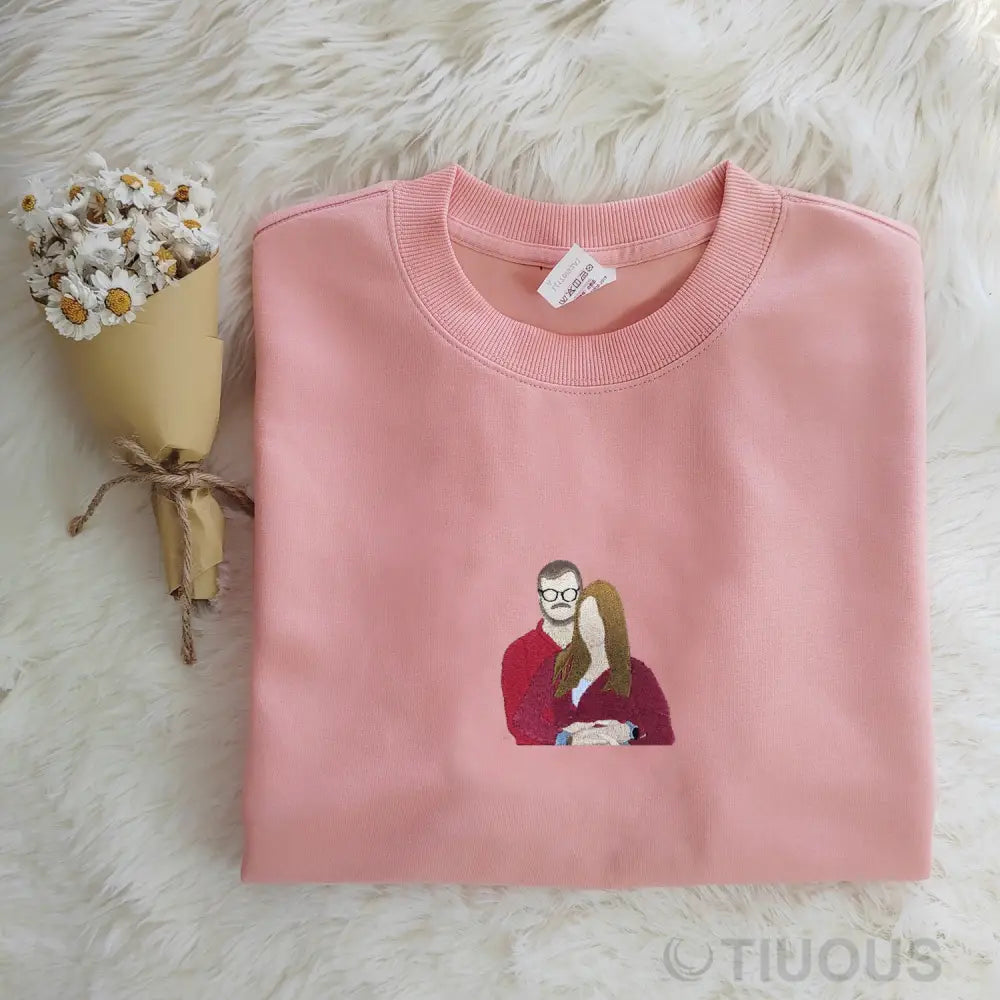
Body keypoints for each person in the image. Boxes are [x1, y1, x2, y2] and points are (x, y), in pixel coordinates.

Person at [513, 580, 674, 746]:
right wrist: (566, 739)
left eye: (597, 618)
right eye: (584, 617)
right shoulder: (557, 665)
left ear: (612, 622)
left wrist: (628, 734)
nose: (589, 626)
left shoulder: (637, 672)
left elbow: (663, 733)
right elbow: (524, 719)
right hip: (564, 759)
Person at [501, 559, 582, 743]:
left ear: (580, 595)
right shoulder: (518, 653)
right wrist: (568, 740)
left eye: (568, 593)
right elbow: (518, 725)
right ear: (540, 598)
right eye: (551, 593)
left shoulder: (598, 648)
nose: (560, 600)